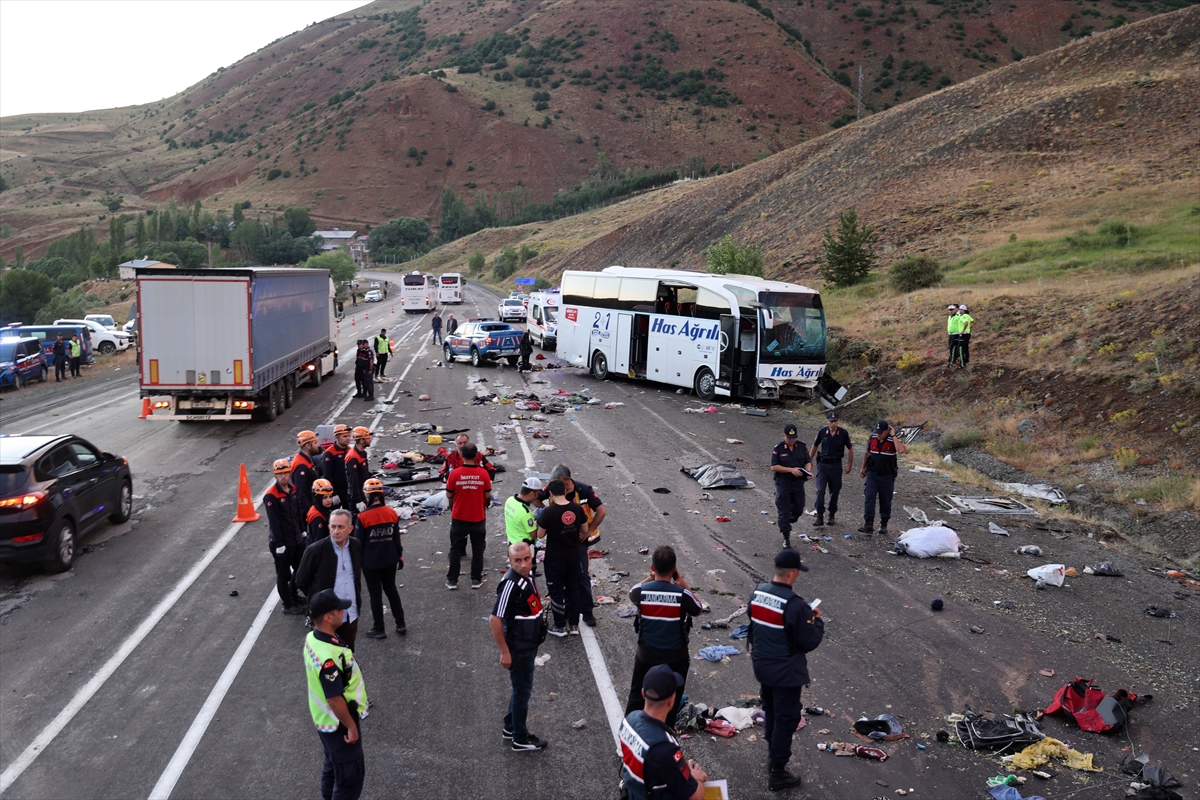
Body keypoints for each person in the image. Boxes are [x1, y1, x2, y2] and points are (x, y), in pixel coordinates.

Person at [748, 549, 824, 792]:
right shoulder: (796, 606)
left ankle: (772, 755)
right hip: (785, 671)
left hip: (762, 665)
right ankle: (778, 771)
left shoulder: (758, 592)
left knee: (770, 710)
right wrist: (816, 621)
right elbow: (809, 641)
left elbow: (754, 619)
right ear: (791, 574)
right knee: (787, 717)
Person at [625, 546, 703, 729]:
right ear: (674, 568)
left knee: (636, 696)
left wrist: (649, 578)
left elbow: (632, 591)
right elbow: (698, 608)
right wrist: (682, 582)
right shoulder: (682, 594)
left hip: (646, 655)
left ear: (653, 566)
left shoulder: (641, 592)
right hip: (675, 657)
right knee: (671, 701)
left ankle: (628, 734)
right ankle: (664, 735)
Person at [303, 589, 368, 800]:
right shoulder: (328, 658)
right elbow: (333, 697)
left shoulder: (313, 638)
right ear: (328, 617)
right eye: (339, 608)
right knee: (350, 778)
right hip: (338, 724)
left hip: (324, 722)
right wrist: (350, 726)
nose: (343, 610)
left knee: (332, 766)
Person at [489, 542, 549, 752]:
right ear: (510, 561)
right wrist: (505, 652)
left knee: (520, 690)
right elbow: (495, 620)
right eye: (518, 561)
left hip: (528, 644)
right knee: (522, 691)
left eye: (527, 559)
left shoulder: (527, 578)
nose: (524, 564)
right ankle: (520, 738)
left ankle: (510, 726)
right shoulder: (510, 584)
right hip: (519, 648)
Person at [618, 665, 709, 800]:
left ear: (643, 693)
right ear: (672, 700)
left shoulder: (629, 719)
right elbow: (695, 795)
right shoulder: (664, 748)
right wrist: (697, 779)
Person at [542, 464, 606, 627]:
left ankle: (587, 611)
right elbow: (535, 496)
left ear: (568, 481)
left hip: (578, 541)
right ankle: (567, 608)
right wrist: (545, 512)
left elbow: (601, 511)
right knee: (562, 577)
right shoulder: (554, 488)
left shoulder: (584, 491)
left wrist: (588, 531)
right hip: (559, 541)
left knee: (582, 575)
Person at [297, 509, 363, 648]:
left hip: (350, 614)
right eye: (333, 527)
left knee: (347, 654)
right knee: (325, 658)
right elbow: (301, 580)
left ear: (350, 529)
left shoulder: (356, 545)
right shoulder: (315, 550)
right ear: (328, 528)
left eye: (341, 527)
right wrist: (316, 598)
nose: (336, 531)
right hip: (325, 618)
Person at [537, 478, 589, 637]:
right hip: (574, 556)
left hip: (555, 558)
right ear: (565, 491)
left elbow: (540, 535)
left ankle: (559, 626)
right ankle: (574, 625)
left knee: (556, 590)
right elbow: (585, 529)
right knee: (573, 588)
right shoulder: (577, 508)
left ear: (551, 494)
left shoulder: (548, 512)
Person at [355, 478, 406, 639]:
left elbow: (358, 543)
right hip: (390, 560)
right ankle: (401, 623)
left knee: (375, 594)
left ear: (367, 495)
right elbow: (396, 539)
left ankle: (379, 628)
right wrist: (400, 556)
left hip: (371, 563)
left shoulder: (363, 517)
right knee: (391, 590)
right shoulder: (391, 513)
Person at [445, 443, 492, 590]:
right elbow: (487, 495)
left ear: (462, 456)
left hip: (459, 516)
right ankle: (476, 580)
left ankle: (452, 580)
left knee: (455, 548)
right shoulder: (484, 474)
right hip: (478, 517)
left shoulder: (454, 474)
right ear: (477, 456)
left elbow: (449, 494)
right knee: (478, 549)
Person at [265, 458, 306, 615]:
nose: (284, 476)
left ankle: (293, 595)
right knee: (283, 575)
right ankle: (287, 604)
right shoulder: (271, 496)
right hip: (282, 542)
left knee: (299, 569)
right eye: (280, 474)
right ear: (275, 475)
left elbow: (296, 513)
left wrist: (302, 530)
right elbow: (274, 522)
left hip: (296, 538)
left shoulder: (292, 489)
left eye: (286, 472)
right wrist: (279, 543)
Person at [858, 420, 906, 536]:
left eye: (880, 432)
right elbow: (867, 453)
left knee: (886, 500)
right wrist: (863, 468)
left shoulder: (892, 440)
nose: (878, 434)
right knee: (869, 497)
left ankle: (883, 524)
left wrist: (893, 435)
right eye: (876, 432)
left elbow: (901, 450)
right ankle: (868, 524)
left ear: (886, 431)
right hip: (872, 474)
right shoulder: (873, 438)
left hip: (887, 476)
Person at [809, 411, 853, 528]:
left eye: (835, 421)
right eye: (831, 421)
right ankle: (819, 515)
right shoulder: (822, 432)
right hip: (823, 465)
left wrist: (849, 464)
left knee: (835, 491)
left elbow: (850, 449)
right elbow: (815, 446)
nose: (833, 423)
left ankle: (832, 514)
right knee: (820, 490)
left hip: (836, 466)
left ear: (838, 421)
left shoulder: (843, 433)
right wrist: (809, 461)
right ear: (827, 421)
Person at [770, 424, 811, 548]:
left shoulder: (802, 447)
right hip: (784, 483)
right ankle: (786, 537)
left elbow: (808, 461)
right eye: (790, 438)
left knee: (799, 508)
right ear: (784, 436)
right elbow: (774, 467)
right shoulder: (779, 448)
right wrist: (791, 470)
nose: (792, 440)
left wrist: (808, 472)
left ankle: (790, 520)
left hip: (798, 483)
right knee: (784, 511)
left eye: (794, 437)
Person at [504, 477, 544, 574]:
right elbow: (535, 534)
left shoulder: (510, 500)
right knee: (528, 573)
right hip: (524, 548)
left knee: (516, 572)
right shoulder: (525, 513)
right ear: (532, 493)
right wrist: (541, 520)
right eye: (537, 494)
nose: (537, 497)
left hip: (512, 543)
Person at [293, 430, 324, 522]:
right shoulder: (301, 465)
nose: (318, 445)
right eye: (315, 443)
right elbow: (301, 494)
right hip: (308, 512)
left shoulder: (308, 459)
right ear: (307, 446)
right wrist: (309, 513)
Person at [323, 425, 353, 512]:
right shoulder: (329, 453)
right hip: (337, 490)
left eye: (348, 436)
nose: (348, 438)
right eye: (344, 436)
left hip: (348, 489)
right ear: (337, 437)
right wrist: (333, 493)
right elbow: (327, 475)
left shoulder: (350, 450)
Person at [345, 426, 372, 516]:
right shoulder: (353, 457)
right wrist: (358, 500)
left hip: (363, 492)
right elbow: (353, 480)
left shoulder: (362, 453)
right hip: (357, 496)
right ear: (361, 441)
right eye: (368, 438)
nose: (370, 439)